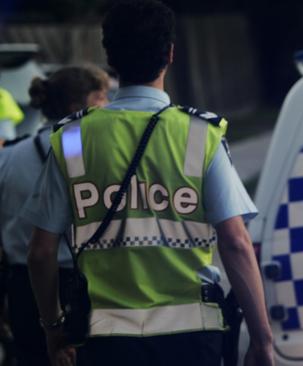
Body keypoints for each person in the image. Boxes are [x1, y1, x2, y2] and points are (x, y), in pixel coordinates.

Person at [24, 1, 274, 366]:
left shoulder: (73, 139)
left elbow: (40, 252)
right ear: (170, 54)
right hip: (193, 338)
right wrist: (263, 340)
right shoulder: (197, 135)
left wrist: (53, 327)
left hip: (107, 339)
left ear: (110, 58)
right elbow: (235, 242)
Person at [0, 65, 109, 366]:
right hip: (79, 285)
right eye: (101, 98)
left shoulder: (8, 156)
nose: (109, 106)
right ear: (78, 107)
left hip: (22, 292)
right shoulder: (79, 151)